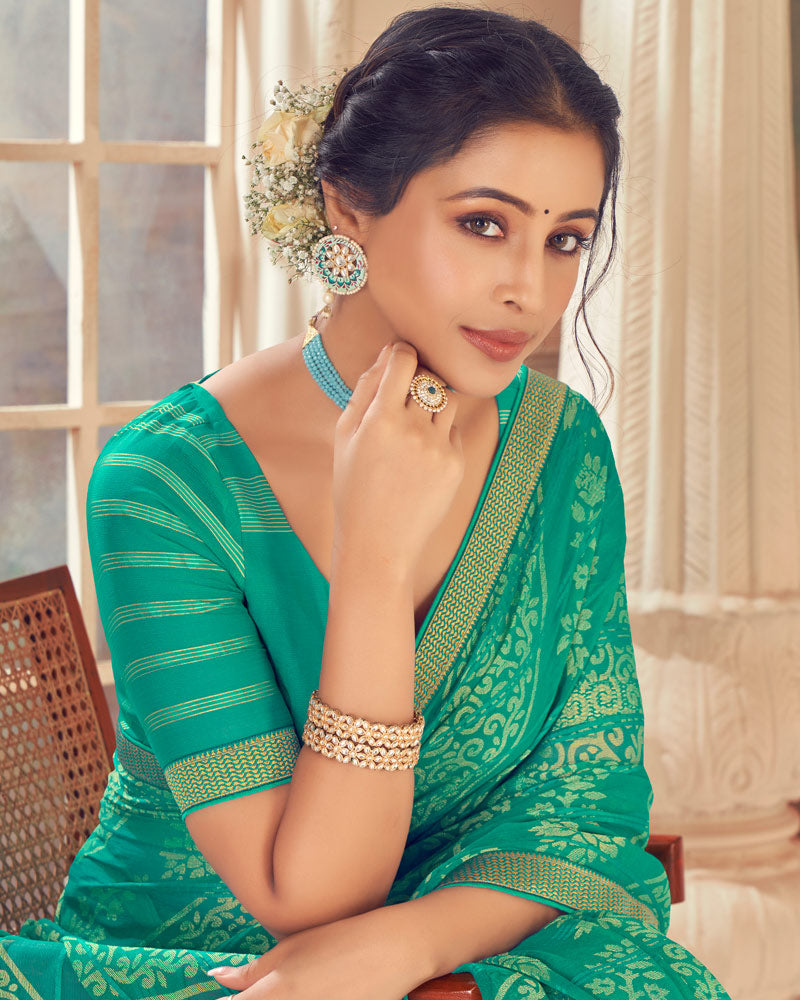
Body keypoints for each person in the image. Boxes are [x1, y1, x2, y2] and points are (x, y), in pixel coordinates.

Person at [0, 7, 732, 999]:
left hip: (442, 962)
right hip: (193, 967)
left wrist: (405, 945)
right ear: (348, 208)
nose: (529, 289)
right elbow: (304, 897)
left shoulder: (560, 448)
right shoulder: (166, 482)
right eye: (484, 224)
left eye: (565, 239)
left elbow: (581, 812)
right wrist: (377, 558)